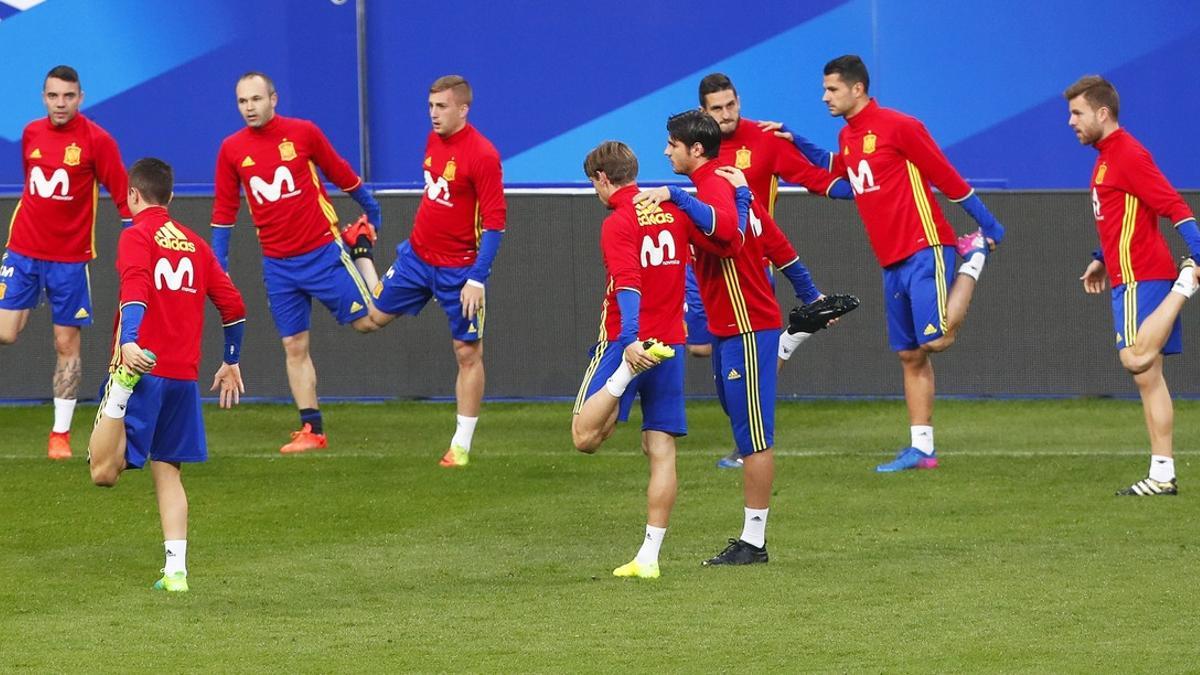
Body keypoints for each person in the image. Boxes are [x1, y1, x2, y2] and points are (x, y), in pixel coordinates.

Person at [784, 55, 1007, 472]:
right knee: (910, 355)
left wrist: (988, 226)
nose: (824, 96)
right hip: (890, 259)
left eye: (831, 89)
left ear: (857, 88)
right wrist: (796, 141)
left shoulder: (901, 126)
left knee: (935, 339)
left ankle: (972, 259)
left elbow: (945, 175)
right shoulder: (849, 137)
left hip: (925, 246)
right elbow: (845, 170)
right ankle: (922, 449)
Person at [638, 110, 832, 565]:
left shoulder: (715, 186)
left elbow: (729, 233)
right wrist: (810, 294)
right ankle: (791, 337)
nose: (666, 151)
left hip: (748, 325)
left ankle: (754, 542)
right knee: (736, 412)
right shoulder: (724, 182)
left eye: (672, 144)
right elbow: (773, 239)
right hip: (730, 328)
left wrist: (675, 196)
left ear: (696, 149)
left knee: (753, 436)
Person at [88, 157, 246, 592]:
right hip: (183, 378)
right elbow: (233, 307)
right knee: (168, 471)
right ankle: (176, 572)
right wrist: (231, 358)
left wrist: (130, 343)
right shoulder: (196, 244)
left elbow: (135, 283)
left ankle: (118, 393)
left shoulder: (135, 235)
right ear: (171, 196)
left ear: (133, 196)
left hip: (140, 369)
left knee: (103, 472)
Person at [210, 71, 382, 454]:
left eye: (256, 99)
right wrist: (218, 263)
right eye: (242, 102)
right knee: (293, 345)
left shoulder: (303, 132)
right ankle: (312, 429)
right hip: (278, 265)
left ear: (274, 98)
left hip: (322, 251)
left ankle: (362, 253)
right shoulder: (232, 149)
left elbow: (339, 172)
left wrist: (372, 208)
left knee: (369, 321)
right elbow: (224, 210)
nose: (249, 108)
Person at [697, 72, 858, 469]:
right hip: (711, 270)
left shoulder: (764, 140)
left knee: (746, 365)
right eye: (717, 108)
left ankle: (747, 443)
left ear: (739, 101)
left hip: (754, 267)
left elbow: (816, 179)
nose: (726, 113)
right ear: (704, 111)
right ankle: (789, 342)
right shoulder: (698, 150)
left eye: (731, 104)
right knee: (702, 351)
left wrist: (870, 185)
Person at [1066, 75, 1200, 496]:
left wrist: (1196, 254)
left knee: (1135, 358)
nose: (1070, 121)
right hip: (1129, 272)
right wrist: (1100, 259)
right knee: (1149, 377)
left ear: (1102, 114)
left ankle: (1187, 282)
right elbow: (1121, 217)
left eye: (1077, 113)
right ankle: (1162, 475)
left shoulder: (1126, 153)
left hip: (1143, 275)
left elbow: (1173, 206)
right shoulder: (1107, 156)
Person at [570, 141, 694, 579]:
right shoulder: (675, 212)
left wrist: (629, 344)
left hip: (630, 343)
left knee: (584, 437)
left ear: (604, 178)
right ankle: (649, 558)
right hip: (670, 345)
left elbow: (628, 282)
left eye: (594, 184)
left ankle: (622, 375)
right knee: (660, 448)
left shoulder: (618, 220)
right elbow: (691, 270)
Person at [369, 75, 506, 468]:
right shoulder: (434, 140)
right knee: (372, 315)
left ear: (463, 109)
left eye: (441, 107)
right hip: (416, 259)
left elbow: (495, 223)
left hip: (459, 270)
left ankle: (460, 446)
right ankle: (362, 253)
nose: (433, 114)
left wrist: (477, 278)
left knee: (466, 353)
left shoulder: (482, 154)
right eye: (430, 106)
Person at [0, 65, 131, 460]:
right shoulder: (31, 134)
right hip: (22, 251)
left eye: (68, 96)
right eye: (54, 96)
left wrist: (139, 239)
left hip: (69, 261)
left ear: (81, 97)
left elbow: (123, 194)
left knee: (64, 343)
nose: (61, 103)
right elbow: (31, 188)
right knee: (5, 333)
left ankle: (60, 434)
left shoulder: (97, 140)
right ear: (44, 97)